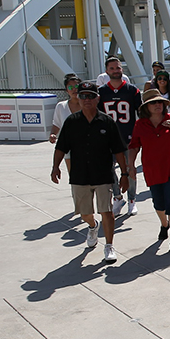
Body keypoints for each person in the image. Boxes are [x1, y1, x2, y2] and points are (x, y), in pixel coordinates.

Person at [51, 82, 129, 264]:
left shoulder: (107, 122)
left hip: (103, 175)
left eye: (90, 96)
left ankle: (109, 245)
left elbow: (118, 150)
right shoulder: (71, 122)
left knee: (107, 211)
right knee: (85, 213)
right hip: (79, 176)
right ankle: (93, 226)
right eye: (83, 96)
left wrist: (125, 174)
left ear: (97, 99)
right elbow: (61, 146)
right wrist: (55, 167)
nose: (87, 100)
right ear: (78, 98)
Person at [127, 90, 170, 254]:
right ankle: (164, 224)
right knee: (158, 203)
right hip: (152, 168)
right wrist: (131, 166)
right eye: (153, 103)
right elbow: (134, 145)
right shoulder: (140, 124)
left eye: (159, 102)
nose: (157, 105)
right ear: (146, 107)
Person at [99, 56, 144, 217]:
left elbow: (141, 113)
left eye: (117, 68)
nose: (115, 71)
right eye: (111, 68)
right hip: (108, 139)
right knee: (108, 170)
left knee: (130, 169)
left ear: (122, 69)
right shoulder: (102, 92)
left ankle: (132, 199)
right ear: (106, 71)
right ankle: (118, 197)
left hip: (128, 136)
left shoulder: (132, 90)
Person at [49, 73, 82, 156]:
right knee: (72, 169)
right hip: (69, 147)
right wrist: (53, 135)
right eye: (70, 87)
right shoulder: (61, 106)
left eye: (77, 86)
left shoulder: (89, 105)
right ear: (67, 90)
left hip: (88, 146)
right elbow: (56, 124)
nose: (74, 89)